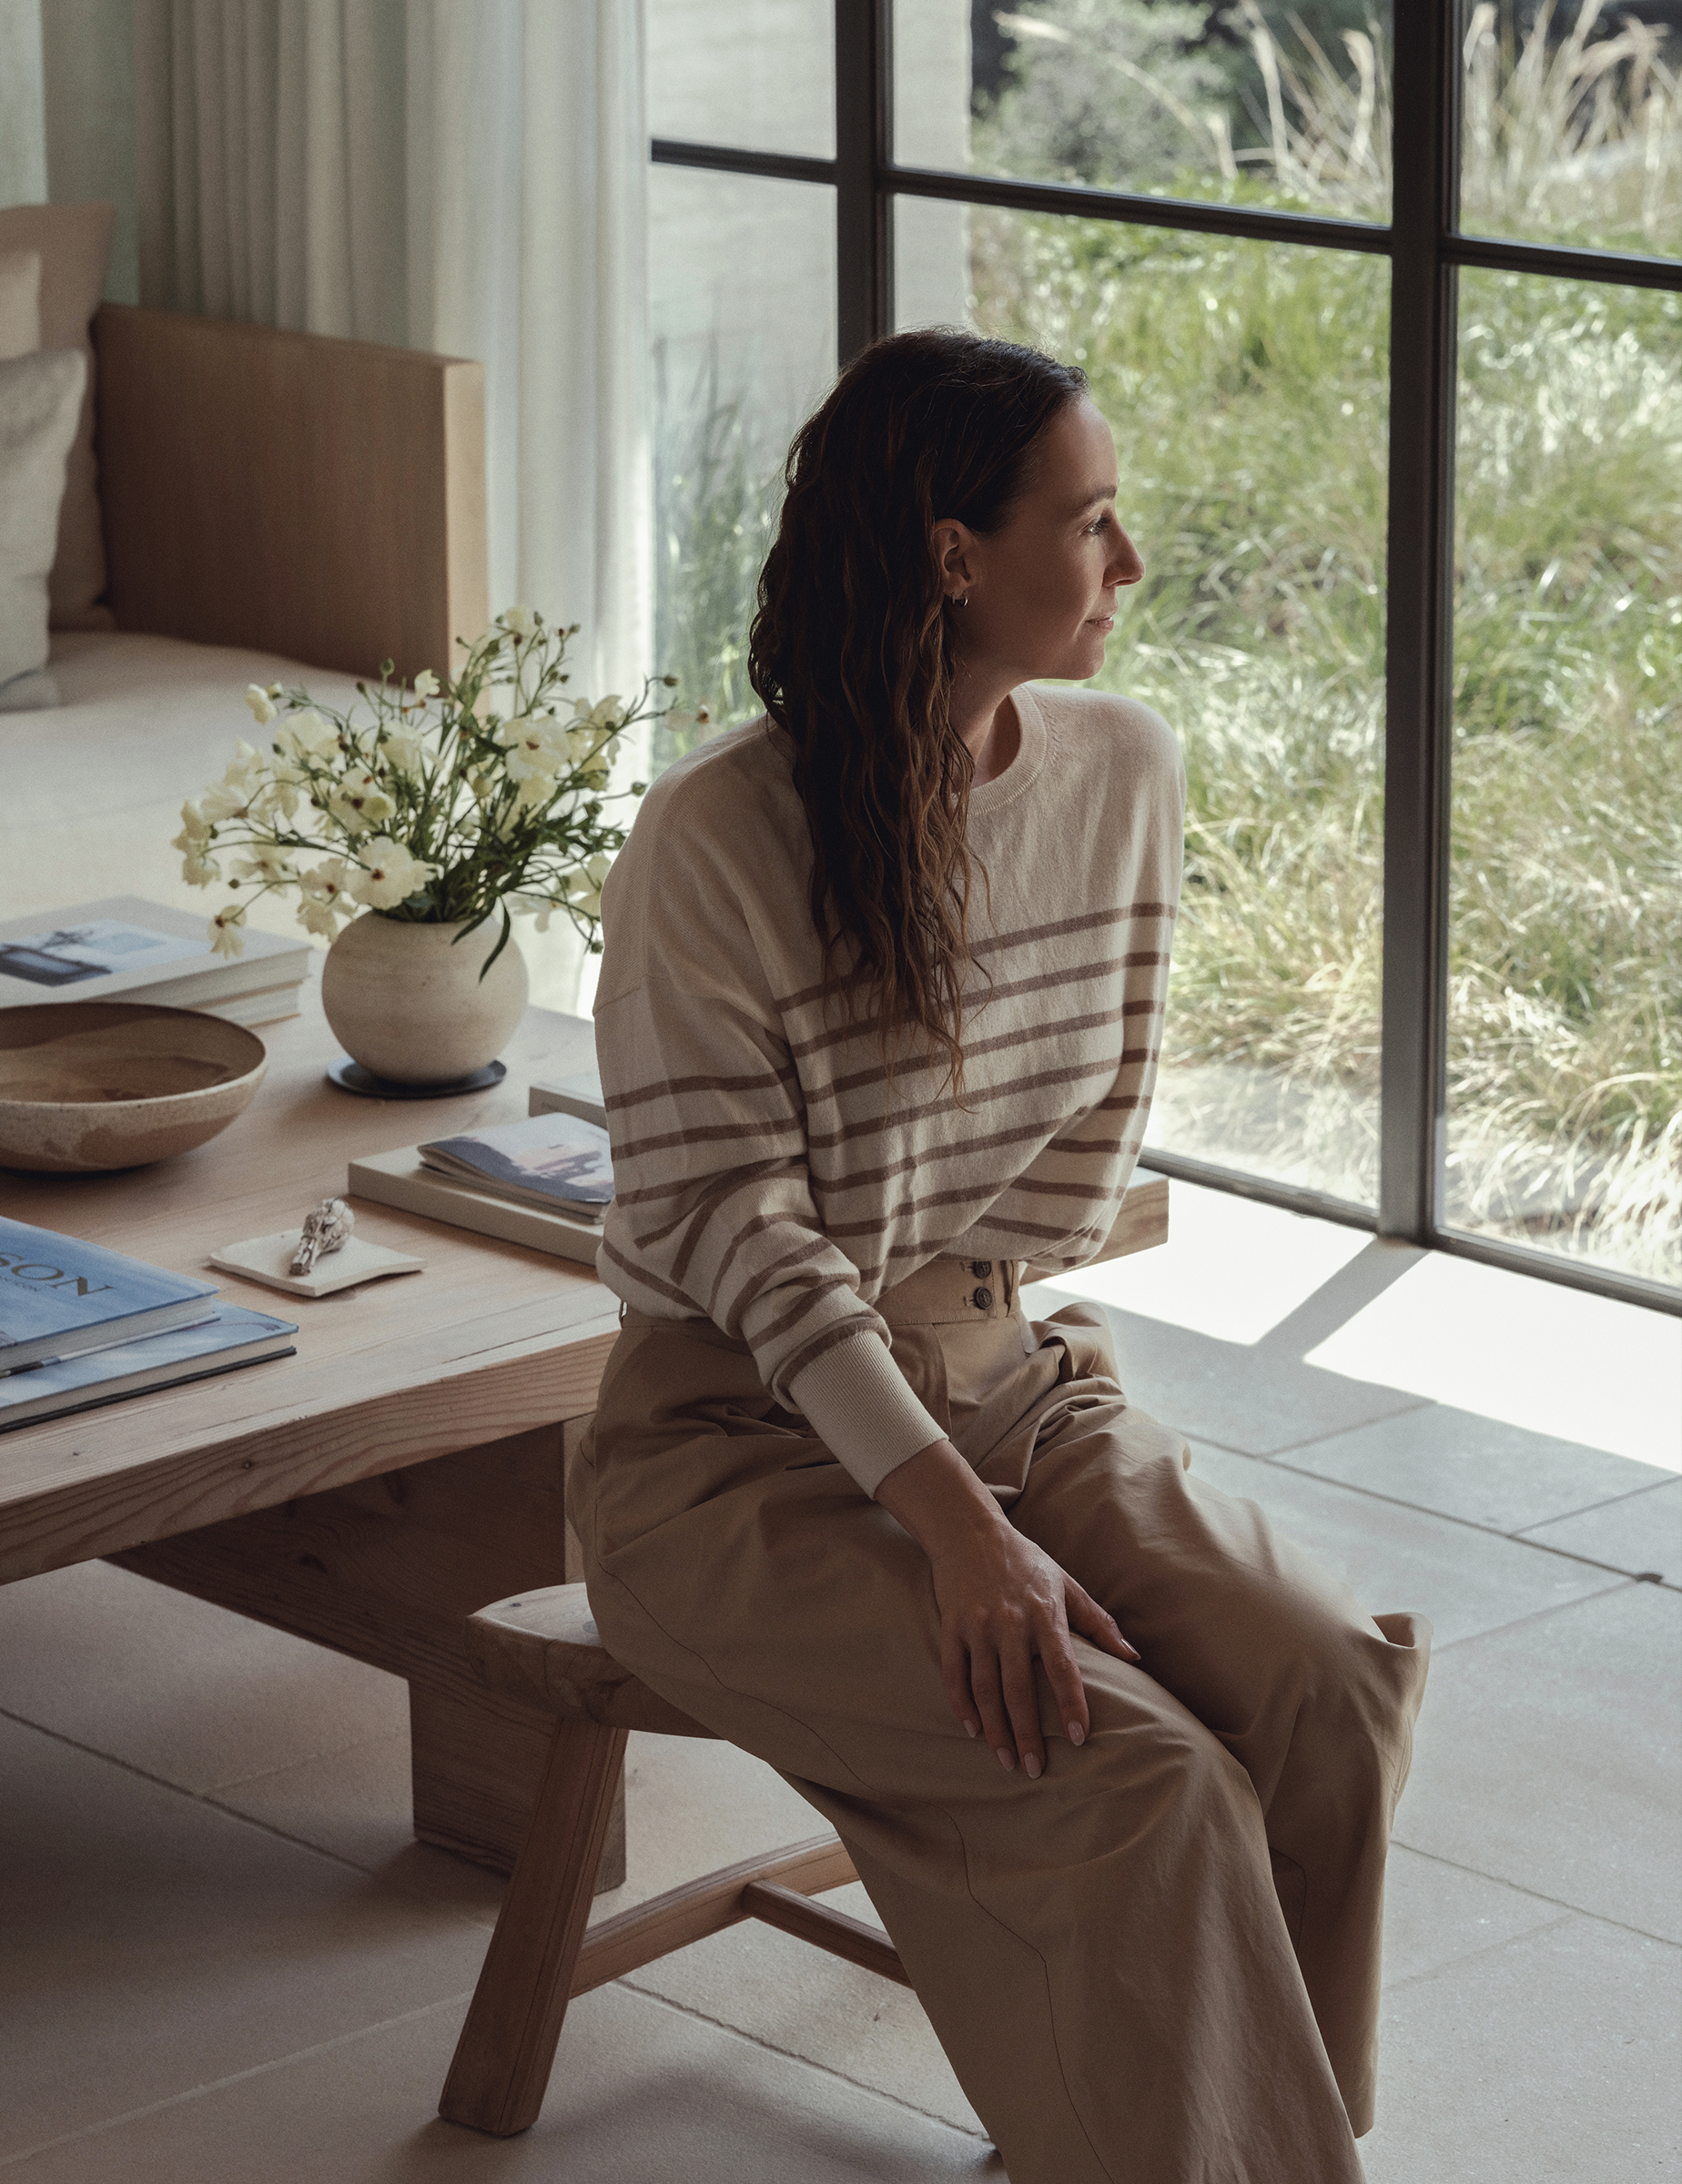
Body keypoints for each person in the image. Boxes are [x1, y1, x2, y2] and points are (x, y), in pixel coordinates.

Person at [571, 327, 1430, 2184]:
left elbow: (1071, 1150)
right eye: (1094, 522)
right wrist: (964, 1531)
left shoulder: (1121, 770)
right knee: (1142, 1778)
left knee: (1321, 1686)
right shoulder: (711, 844)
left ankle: (1230, 2133)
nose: (1129, 566)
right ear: (957, 555)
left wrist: (1003, 1432)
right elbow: (740, 1236)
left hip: (993, 1376)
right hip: (720, 1455)